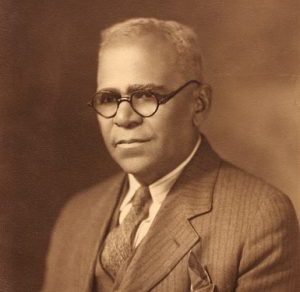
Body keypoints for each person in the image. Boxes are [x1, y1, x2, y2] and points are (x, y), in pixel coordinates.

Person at [42, 18, 300, 292]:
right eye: (108, 99)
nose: (123, 118)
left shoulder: (259, 217)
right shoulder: (75, 216)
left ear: (199, 104)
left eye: (146, 95)